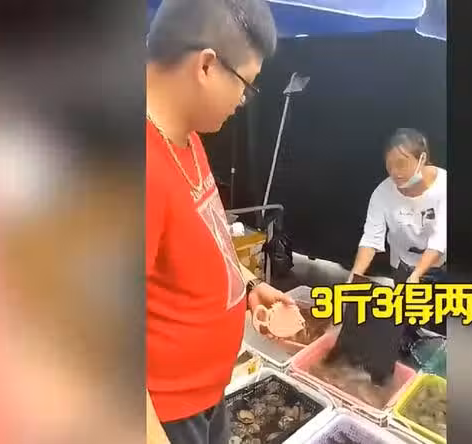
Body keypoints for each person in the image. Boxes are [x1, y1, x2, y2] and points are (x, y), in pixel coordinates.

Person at [145, 1, 294, 443]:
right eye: (246, 83)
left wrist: (247, 285)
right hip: (168, 414)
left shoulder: (186, 135)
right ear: (207, 65)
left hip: (207, 394)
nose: (244, 100)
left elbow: (205, 239)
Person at [350, 128, 447, 334]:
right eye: (390, 165)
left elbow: (440, 239)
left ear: (422, 159)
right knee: (405, 327)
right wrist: (353, 279)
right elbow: (371, 240)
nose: (395, 172)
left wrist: (417, 274)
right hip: (402, 267)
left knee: (438, 328)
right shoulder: (382, 193)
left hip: (439, 267)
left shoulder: (444, 186)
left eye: (401, 164)